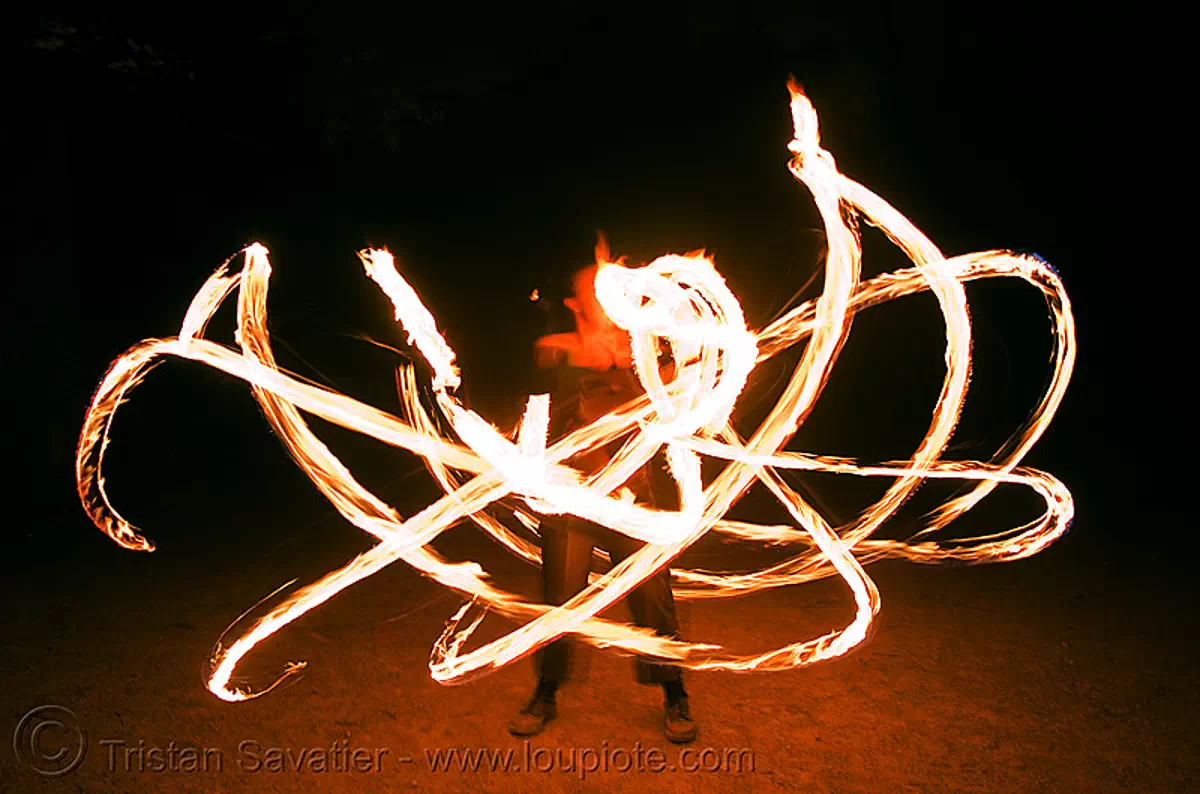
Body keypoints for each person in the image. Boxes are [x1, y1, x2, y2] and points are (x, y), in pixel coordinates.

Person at [507, 263, 698, 744]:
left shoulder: (642, 349)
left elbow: (677, 392)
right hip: (572, 496)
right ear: (574, 303)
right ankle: (546, 691)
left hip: (633, 496)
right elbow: (536, 407)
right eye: (595, 286)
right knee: (560, 598)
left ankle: (674, 692)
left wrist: (693, 361)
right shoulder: (555, 349)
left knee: (653, 596)